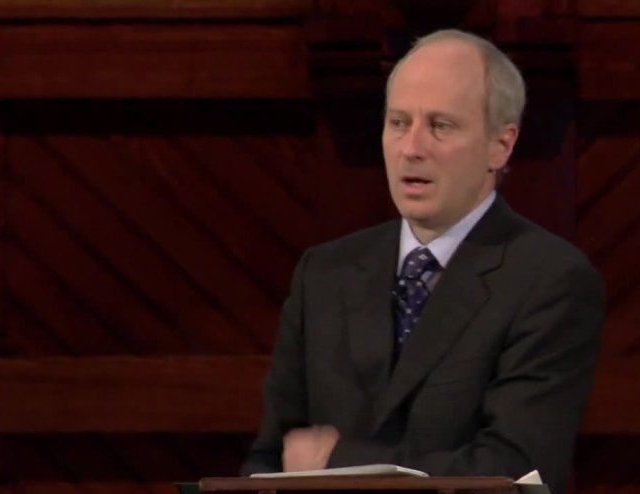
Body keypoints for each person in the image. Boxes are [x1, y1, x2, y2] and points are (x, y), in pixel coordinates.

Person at [240, 29, 604, 494]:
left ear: (500, 145)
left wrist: (336, 461)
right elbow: (271, 458)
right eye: (398, 122)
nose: (411, 148)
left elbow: (511, 470)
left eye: (440, 126)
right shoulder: (324, 273)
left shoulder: (550, 279)